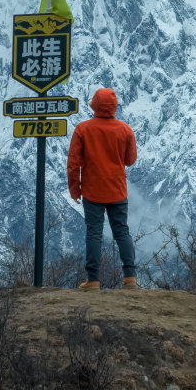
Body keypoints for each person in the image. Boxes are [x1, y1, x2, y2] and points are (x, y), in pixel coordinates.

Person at [67, 88, 138, 291]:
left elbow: (73, 163)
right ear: (114, 107)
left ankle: (93, 280)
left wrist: (75, 189)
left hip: (92, 191)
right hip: (117, 190)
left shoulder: (83, 129)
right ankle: (130, 278)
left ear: (94, 105)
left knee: (94, 234)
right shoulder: (125, 130)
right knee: (122, 232)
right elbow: (130, 160)